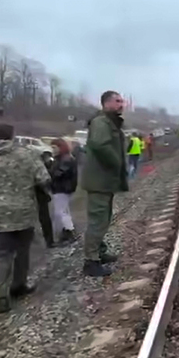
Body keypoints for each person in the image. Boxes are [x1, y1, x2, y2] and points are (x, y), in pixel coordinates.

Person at [0, 123, 51, 314]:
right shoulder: (27, 155)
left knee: (3, 257)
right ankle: (19, 285)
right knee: (23, 251)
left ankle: (2, 296)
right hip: (25, 214)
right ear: (13, 136)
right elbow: (44, 178)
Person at [81, 90, 129, 277]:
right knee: (97, 221)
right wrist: (117, 162)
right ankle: (90, 261)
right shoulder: (101, 122)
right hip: (98, 181)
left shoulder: (109, 122)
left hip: (104, 181)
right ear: (106, 103)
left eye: (121, 101)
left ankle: (99, 251)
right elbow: (100, 145)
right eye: (117, 101)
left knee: (102, 219)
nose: (121, 104)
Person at [49, 138, 78, 245]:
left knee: (60, 212)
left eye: (54, 147)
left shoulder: (65, 160)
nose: (52, 150)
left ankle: (69, 232)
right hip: (63, 188)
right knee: (64, 211)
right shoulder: (63, 158)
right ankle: (66, 232)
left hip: (62, 188)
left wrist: (49, 170)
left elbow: (58, 174)